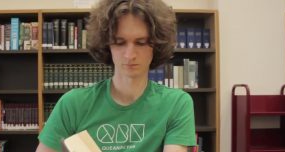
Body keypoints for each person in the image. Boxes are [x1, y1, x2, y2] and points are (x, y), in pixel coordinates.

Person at [36, 0, 196, 151]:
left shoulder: (176, 104)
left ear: (157, 46)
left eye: (140, 43)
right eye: (120, 43)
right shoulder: (72, 104)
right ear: (107, 45)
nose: (129, 55)